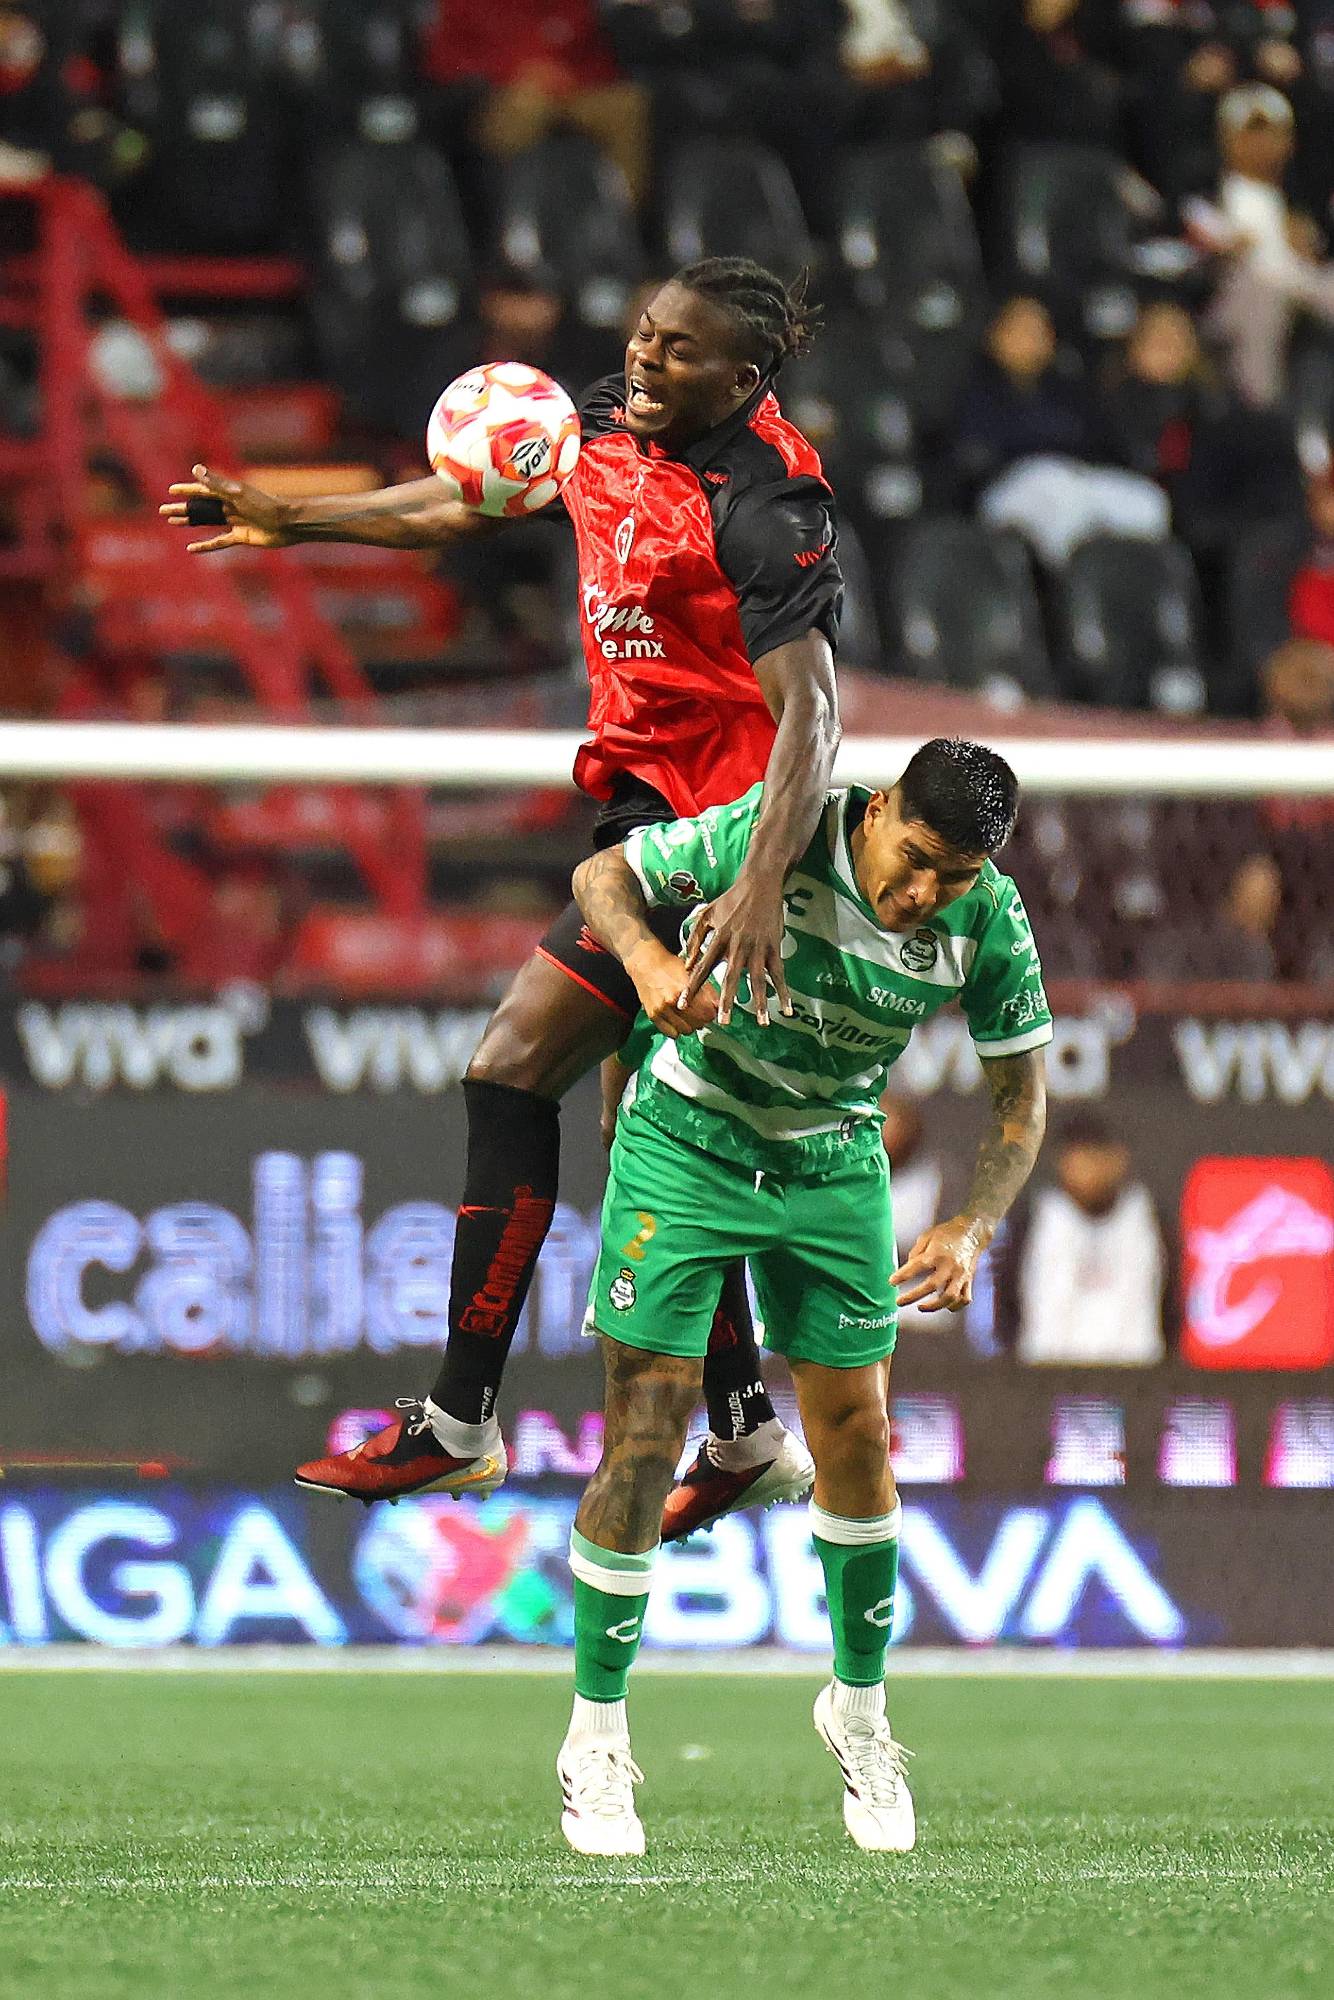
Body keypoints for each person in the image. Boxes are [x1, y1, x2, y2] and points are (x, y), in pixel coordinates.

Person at [160, 257, 843, 1536]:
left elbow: (813, 712)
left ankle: (463, 1419)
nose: (644, 359)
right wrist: (294, 520)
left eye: (679, 351)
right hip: (644, 812)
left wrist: (756, 887)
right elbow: (472, 498)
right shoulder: (605, 422)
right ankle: (743, 1426)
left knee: (513, 1064)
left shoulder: (761, 503)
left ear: (744, 379)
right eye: (643, 332)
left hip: (723, 838)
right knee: (641, 1128)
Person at [556, 738, 1050, 1856]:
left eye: (953, 878)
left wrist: (971, 1222)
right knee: (644, 1429)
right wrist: (642, 964)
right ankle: (593, 1734)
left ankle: (860, 1714)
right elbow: (601, 880)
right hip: (686, 1138)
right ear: (877, 809)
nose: (922, 895)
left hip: (832, 1161)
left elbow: (1019, 1101)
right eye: (915, 858)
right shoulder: (781, 833)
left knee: (859, 1441)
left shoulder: (988, 923)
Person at [1016, 1113, 1166, 1366]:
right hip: (1047, 1378)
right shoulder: (1039, 1221)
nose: (1087, 1171)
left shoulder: (1144, 1219)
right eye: (1078, 1160)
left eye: (1094, 1157)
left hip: (1136, 1380)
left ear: (1118, 1160)